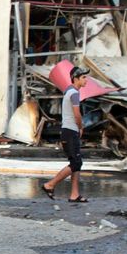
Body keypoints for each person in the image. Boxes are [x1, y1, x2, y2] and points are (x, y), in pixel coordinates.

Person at [42, 66, 90, 203]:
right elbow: (77, 114)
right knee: (76, 163)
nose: (86, 80)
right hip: (70, 131)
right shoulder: (74, 93)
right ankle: (50, 185)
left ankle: (74, 194)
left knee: (76, 162)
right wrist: (81, 127)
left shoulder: (69, 90)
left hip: (68, 131)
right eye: (84, 77)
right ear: (76, 79)